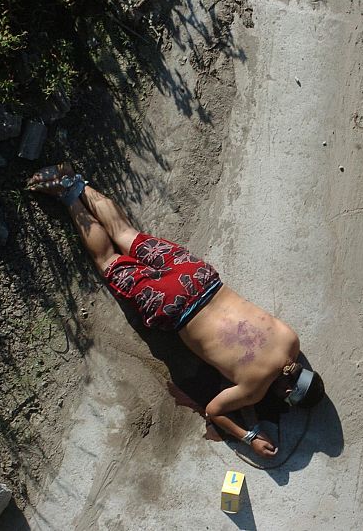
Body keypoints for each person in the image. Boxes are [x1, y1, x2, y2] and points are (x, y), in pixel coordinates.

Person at [27, 164, 325, 458]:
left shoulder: (290, 340)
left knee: (125, 232)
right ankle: (66, 196)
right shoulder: (253, 390)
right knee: (108, 259)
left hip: (198, 276)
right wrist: (249, 436)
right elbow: (214, 411)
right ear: (288, 393)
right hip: (173, 304)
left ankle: (77, 182)